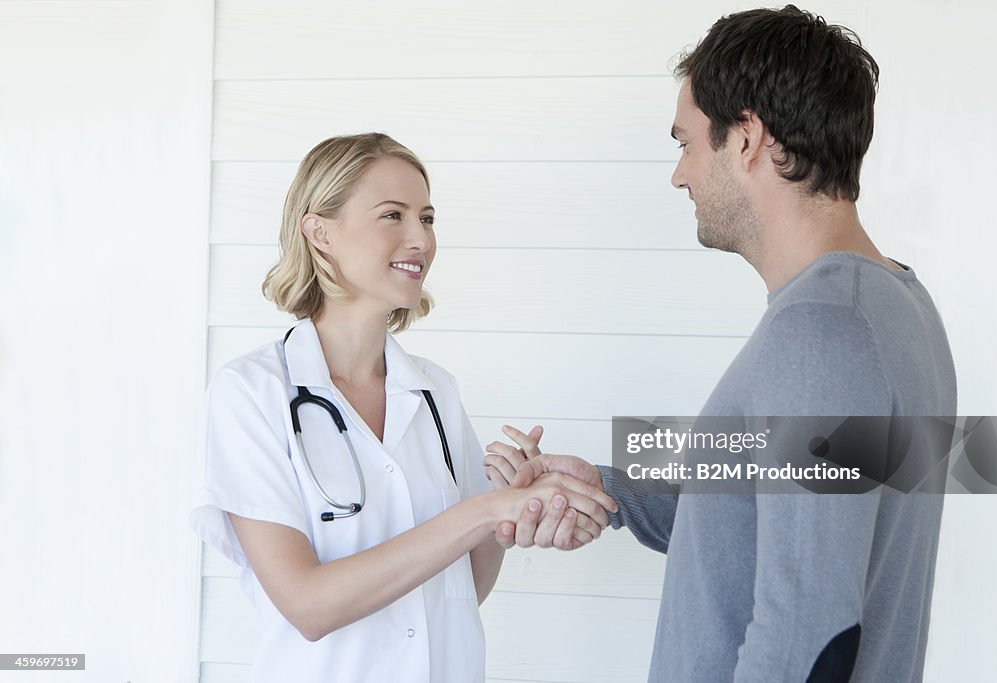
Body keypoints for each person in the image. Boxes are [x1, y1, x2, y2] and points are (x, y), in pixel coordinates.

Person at [485, 6, 956, 683]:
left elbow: (810, 632)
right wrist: (609, 487)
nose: (680, 174)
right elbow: (764, 515)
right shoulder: (893, 306)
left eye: (686, 142)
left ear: (747, 138)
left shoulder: (820, 331)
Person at [189, 133, 617, 683]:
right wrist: (482, 512)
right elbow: (308, 605)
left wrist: (510, 512)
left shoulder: (435, 391)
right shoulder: (252, 393)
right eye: (393, 215)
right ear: (319, 231)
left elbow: (463, 587)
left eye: (428, 218)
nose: (421, 238)